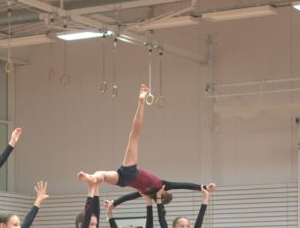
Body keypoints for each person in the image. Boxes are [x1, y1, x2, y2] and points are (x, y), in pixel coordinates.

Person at [78, 84, 212, 207]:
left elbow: (183, 185)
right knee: (104, 175)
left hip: (130, 171)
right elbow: (130, 196)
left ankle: (141, 103)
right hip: (124, 180)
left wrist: (204, 187)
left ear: (166, 193)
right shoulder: (148, 194)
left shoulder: (163, 185)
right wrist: (115, 203)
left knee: (134, 137)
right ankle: (93, 179)